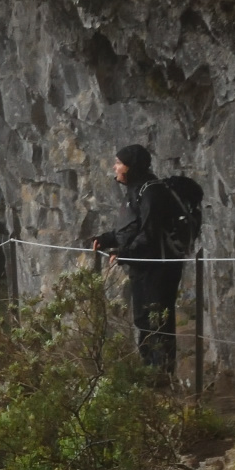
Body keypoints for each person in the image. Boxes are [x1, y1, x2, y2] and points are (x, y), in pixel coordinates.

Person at [92, 143, 187, 376]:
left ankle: (161, 374)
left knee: (157, 321)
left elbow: (150, 233)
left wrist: (124, 253)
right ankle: (149, 372)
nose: (114, 167)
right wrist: (105, 240)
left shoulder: (152, 192)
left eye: (119, 163)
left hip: (159, 268)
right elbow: (130, 229)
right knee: (144, 320)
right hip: (143, 266)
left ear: (131, 166)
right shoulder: (137, 190)